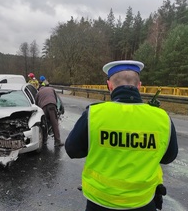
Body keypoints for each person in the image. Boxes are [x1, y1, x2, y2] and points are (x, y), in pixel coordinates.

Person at [65, 60, 178, 211]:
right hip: (143, 202)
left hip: (100, 202)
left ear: (109, 85)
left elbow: (72, 150)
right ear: (139, 86)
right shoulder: (162, 118)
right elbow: (168, 157)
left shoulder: (93, 115)